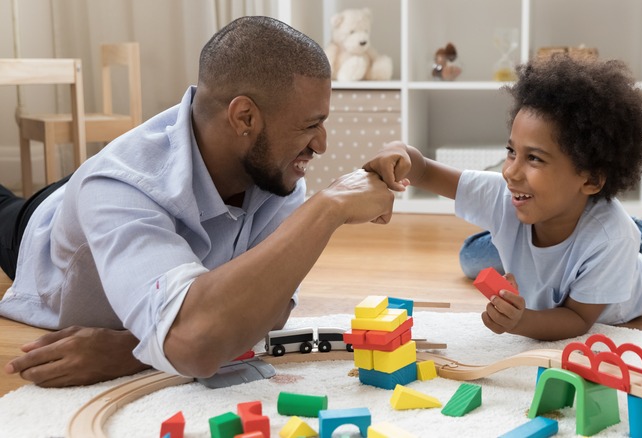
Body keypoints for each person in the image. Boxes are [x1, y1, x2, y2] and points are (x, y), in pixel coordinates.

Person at [0, 16, 396, 388]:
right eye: (311, 125)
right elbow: (195, 342)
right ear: (244, 118)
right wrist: (329, 208)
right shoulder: (117, 188)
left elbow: (270, 311)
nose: (322, 145)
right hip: (43, 223)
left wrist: (130, 351)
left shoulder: (277, 175)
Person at [363, 55, 642, 341]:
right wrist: (398, 152)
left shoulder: (611, 238)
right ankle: (515, 244)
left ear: (591, 178)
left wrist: (521, 321)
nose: (511, 172)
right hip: (563, 213)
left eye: (534, 159)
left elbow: (577, 319)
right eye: (511, 151)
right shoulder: (509, 193)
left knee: (626, 232)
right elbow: (425, 172)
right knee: (470, 258)